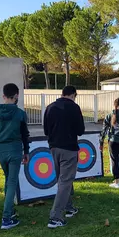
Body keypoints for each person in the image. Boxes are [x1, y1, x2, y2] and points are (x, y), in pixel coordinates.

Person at [0, 83, 30, 230]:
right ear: (17, 95)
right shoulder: (20, 114)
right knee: (12, 182)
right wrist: (26, 152)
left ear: (3, 96)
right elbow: (25, 135)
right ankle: (6, 218)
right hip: (15, 149)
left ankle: (10, 212)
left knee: (8, 180)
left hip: (1, 150)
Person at [43, 86, 85, 229]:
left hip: (54, 147)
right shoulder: (74, 107)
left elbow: (45, 130)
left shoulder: (50, 107)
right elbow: (81, 130)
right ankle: (55, 217)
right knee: (65, 181)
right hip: (69, 148)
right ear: (73, 95)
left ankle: (69, 207)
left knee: (62, 179)